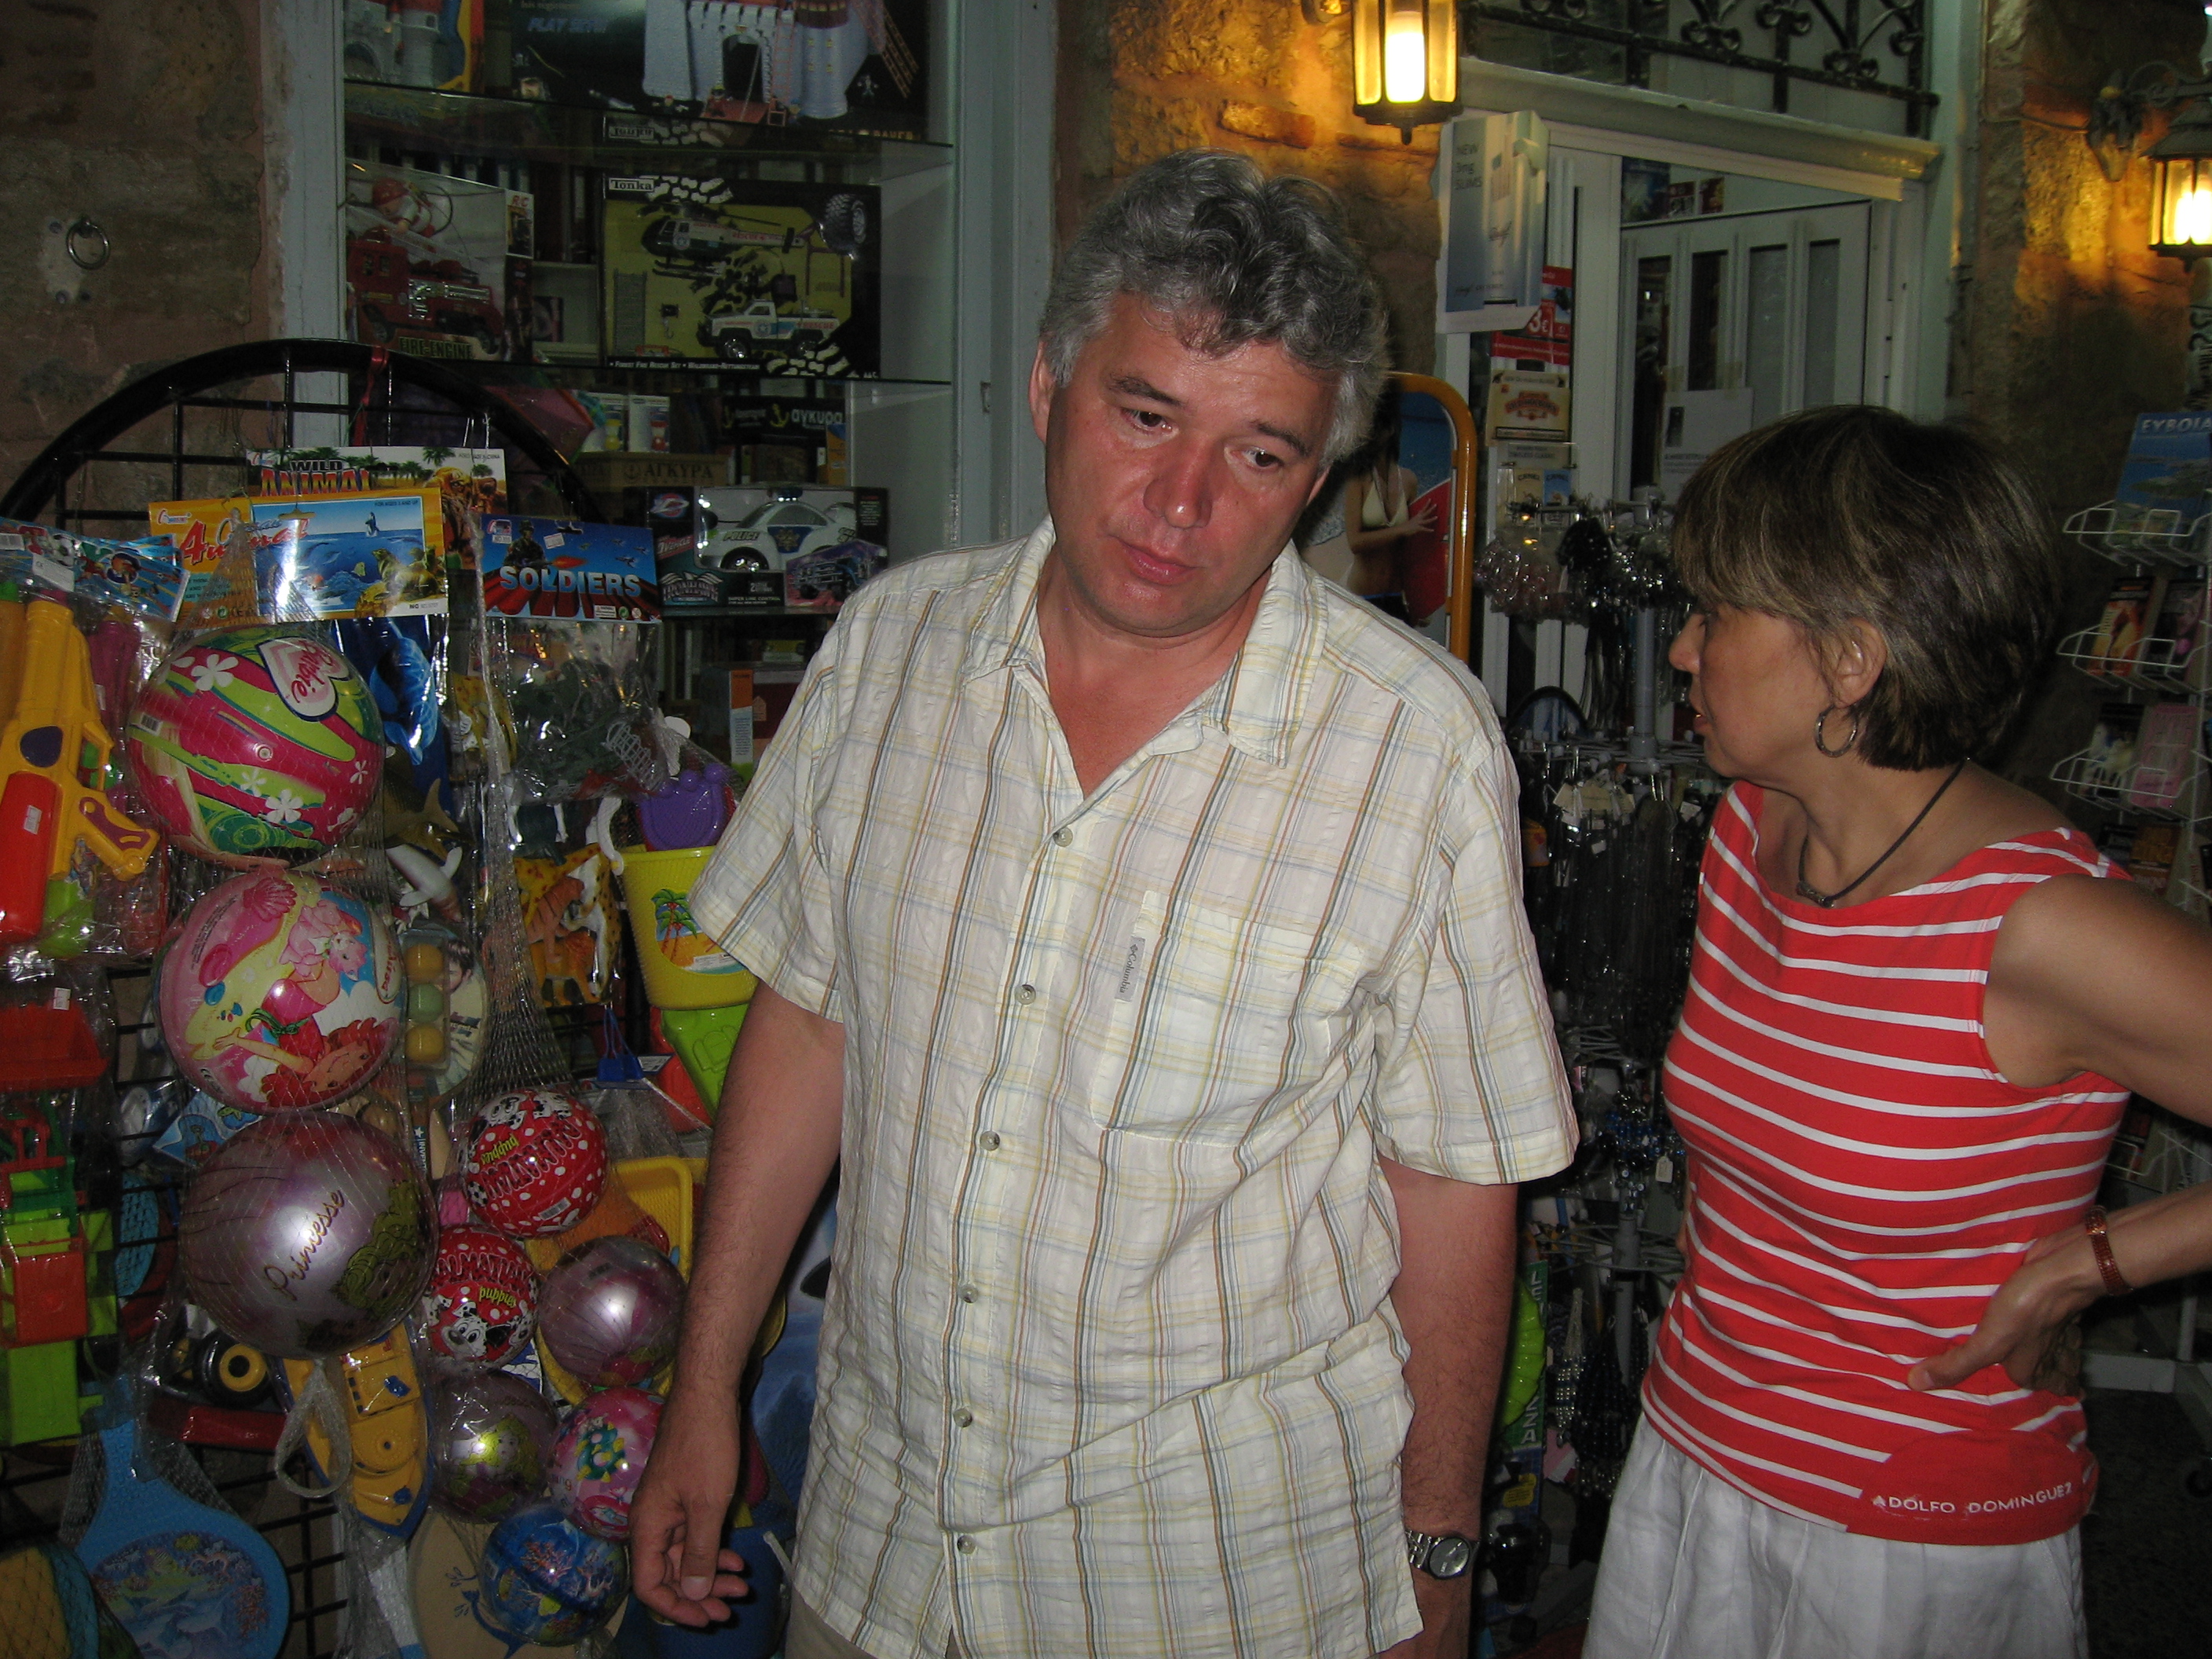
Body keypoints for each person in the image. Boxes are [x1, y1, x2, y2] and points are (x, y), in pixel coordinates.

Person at [628, 149, 1578, 1659]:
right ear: (1047, 385)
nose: (1182, 502)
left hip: (1212, 1582)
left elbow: (1457, 1181)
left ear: (1315, 480)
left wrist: (1438, 1557)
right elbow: (809, 1025)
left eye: (1258, 452)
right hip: (882, 1552)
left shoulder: (1414, 752)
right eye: (1145, 416)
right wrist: (704, 1387)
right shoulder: (885, 655)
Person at [1584, 405, 2212, 1659]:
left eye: (1717, 614)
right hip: (1696, 1451)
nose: (1684, 649)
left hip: (1907, 1525)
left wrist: (2092, 1262)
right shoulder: (1749, 832)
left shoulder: (2040, 926)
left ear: (1850, 660)